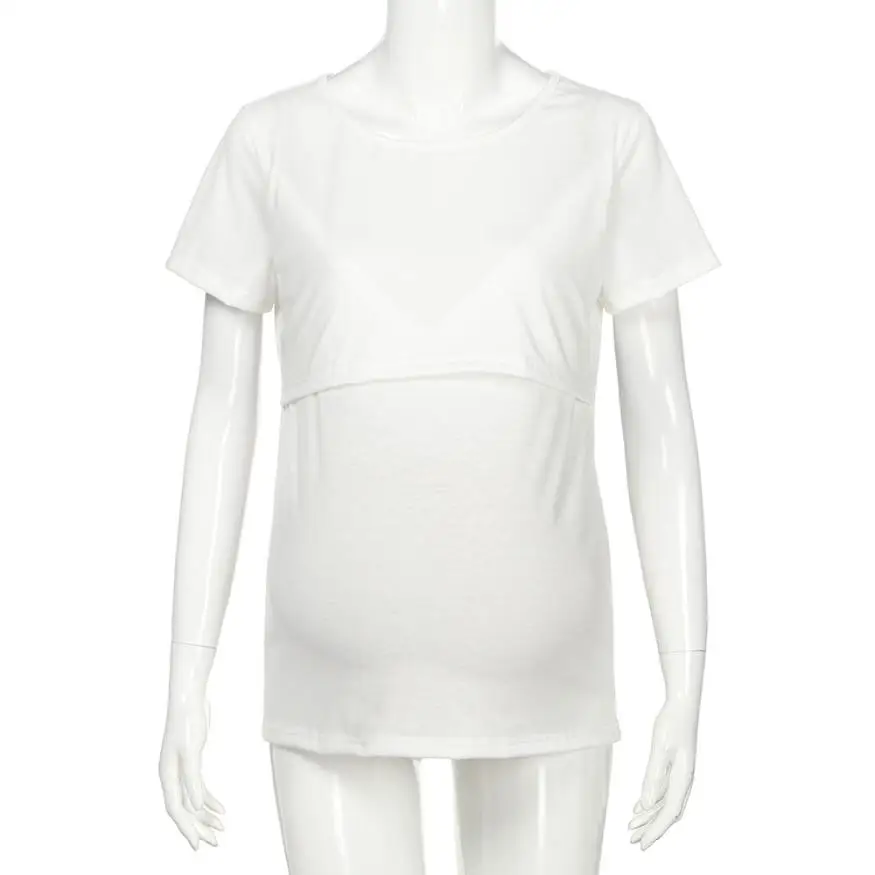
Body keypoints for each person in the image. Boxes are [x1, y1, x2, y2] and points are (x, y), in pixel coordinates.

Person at [158, 4, 719, 872]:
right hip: (333, 666)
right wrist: (185, 675)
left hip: (543, 665)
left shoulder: (607, 139)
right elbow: (217, 414)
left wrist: (685, 678)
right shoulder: (272, 142)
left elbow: (663, 424)